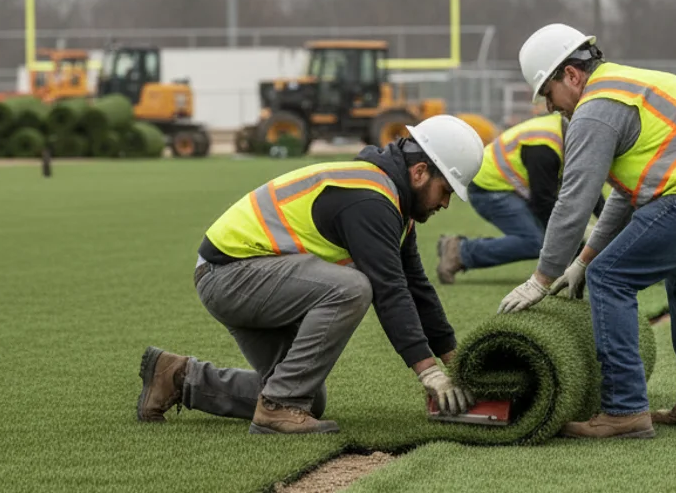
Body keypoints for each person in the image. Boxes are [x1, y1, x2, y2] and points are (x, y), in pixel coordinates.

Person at [495, 23, 676, 439]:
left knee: (610, 279)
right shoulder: (626, 85)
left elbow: (573, 202)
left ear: (571, 76)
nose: (550, 108)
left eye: (548, 94)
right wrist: (582, 259)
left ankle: (624, 411)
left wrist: (542, 279)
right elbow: (627, 197)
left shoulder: (595, 108)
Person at [135, 115, 485, 434]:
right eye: (446, 191)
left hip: (244, 277)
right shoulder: (370, 200)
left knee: (308, 397)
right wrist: (429, 372)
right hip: (229, 276)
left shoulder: (392, 203)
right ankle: (278, 408)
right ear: (420, 172)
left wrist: (456, 365)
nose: (444, 204)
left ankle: (178, 378)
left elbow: (416, 288)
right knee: (352, 288)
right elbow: (390, 291)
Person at [434, 113, 604, 283]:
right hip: (488, 186)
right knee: (533, 241)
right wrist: (573, 246)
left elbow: (589, 184)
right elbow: (543, 203)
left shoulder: (567, 132)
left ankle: (460, 250)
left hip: (504, 184)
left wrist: (608, 224)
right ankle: (459, 252)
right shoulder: (544, 148)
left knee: (544, 236)